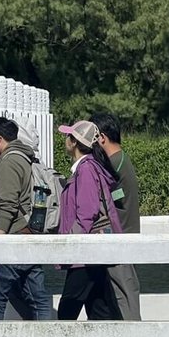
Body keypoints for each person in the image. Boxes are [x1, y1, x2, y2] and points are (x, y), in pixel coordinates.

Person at [0, 117, 52, 321]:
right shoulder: (27, 156)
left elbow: (8, 207)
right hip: (31, 232)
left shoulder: (9, 161)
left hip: (17, 236)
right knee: (38, 296)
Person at [57, 120, 123, 321]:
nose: (65, 140)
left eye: (68, 136)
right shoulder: (91, 167)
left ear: (75, 142)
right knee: (100, 310)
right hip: (93, 251)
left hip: (84, 253)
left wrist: (69, 243)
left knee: (66, 313)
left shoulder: (85, 170)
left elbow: (86, 214)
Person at [89, 112, 141, 321]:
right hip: (123, 236)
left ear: (101, 137)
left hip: (121, 237)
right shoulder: (120, 159)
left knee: (124, 295)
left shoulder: (114, 163)